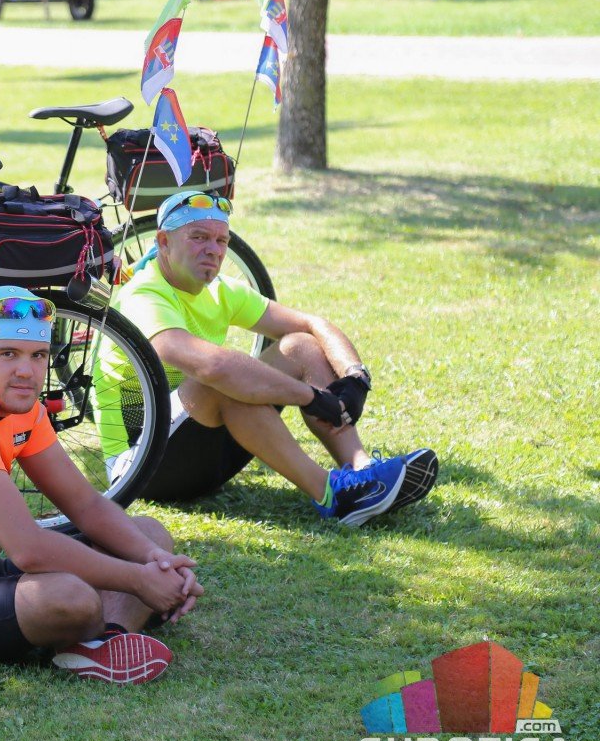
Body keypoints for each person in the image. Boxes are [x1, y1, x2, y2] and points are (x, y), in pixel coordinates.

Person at [0, 286, 204, 684]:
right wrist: (138, 580)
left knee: (149, 534)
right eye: (8, 354)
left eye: (37, 355)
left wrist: (152, 560)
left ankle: (103, 640)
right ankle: (100, 629)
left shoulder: (20, 405)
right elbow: (29, 549)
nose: (26, 371)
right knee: (69, 597)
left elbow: (86, 505)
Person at [107, 191, 438, 527]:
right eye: (199, 237)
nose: (213, 250)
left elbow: (312, 325)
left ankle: (361, 469)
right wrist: (310, 397)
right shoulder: (143, 295)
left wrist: (355, 377)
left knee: (300, 345)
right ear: (163, 241)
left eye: (221, 241)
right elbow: (214, 367)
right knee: (224, 381)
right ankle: (334, 496)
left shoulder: (222, 291)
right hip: (142, 468)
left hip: (203, 457)